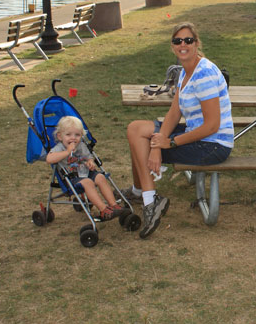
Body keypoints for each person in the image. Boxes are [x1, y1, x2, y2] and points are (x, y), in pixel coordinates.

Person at [125, 23, 234, 239]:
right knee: (136, 129)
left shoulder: (204, 74)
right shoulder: (185, 71)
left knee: (140, 140)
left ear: (196, 43)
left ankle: (149, 201)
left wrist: (171, 143)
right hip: (199, 133)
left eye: (188, 40)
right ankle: (142, 193)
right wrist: (160, 142)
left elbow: (212, 125)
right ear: (172, 46)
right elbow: (174, 112)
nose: (182, 44)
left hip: (213, 145)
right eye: (177, 41)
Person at [46, 116, 127, 221]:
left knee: (101, 177)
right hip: (72, 177)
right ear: (60, 136)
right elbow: (49, 159)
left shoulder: (81, 145)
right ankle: (104, 210)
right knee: (88, 182)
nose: (73, 138)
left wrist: (90, 162)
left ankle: (114, 205)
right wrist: (67, 152)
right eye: (68, 134)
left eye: (77, 135)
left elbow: (89, 157)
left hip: (86, 171)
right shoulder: (59, 148)